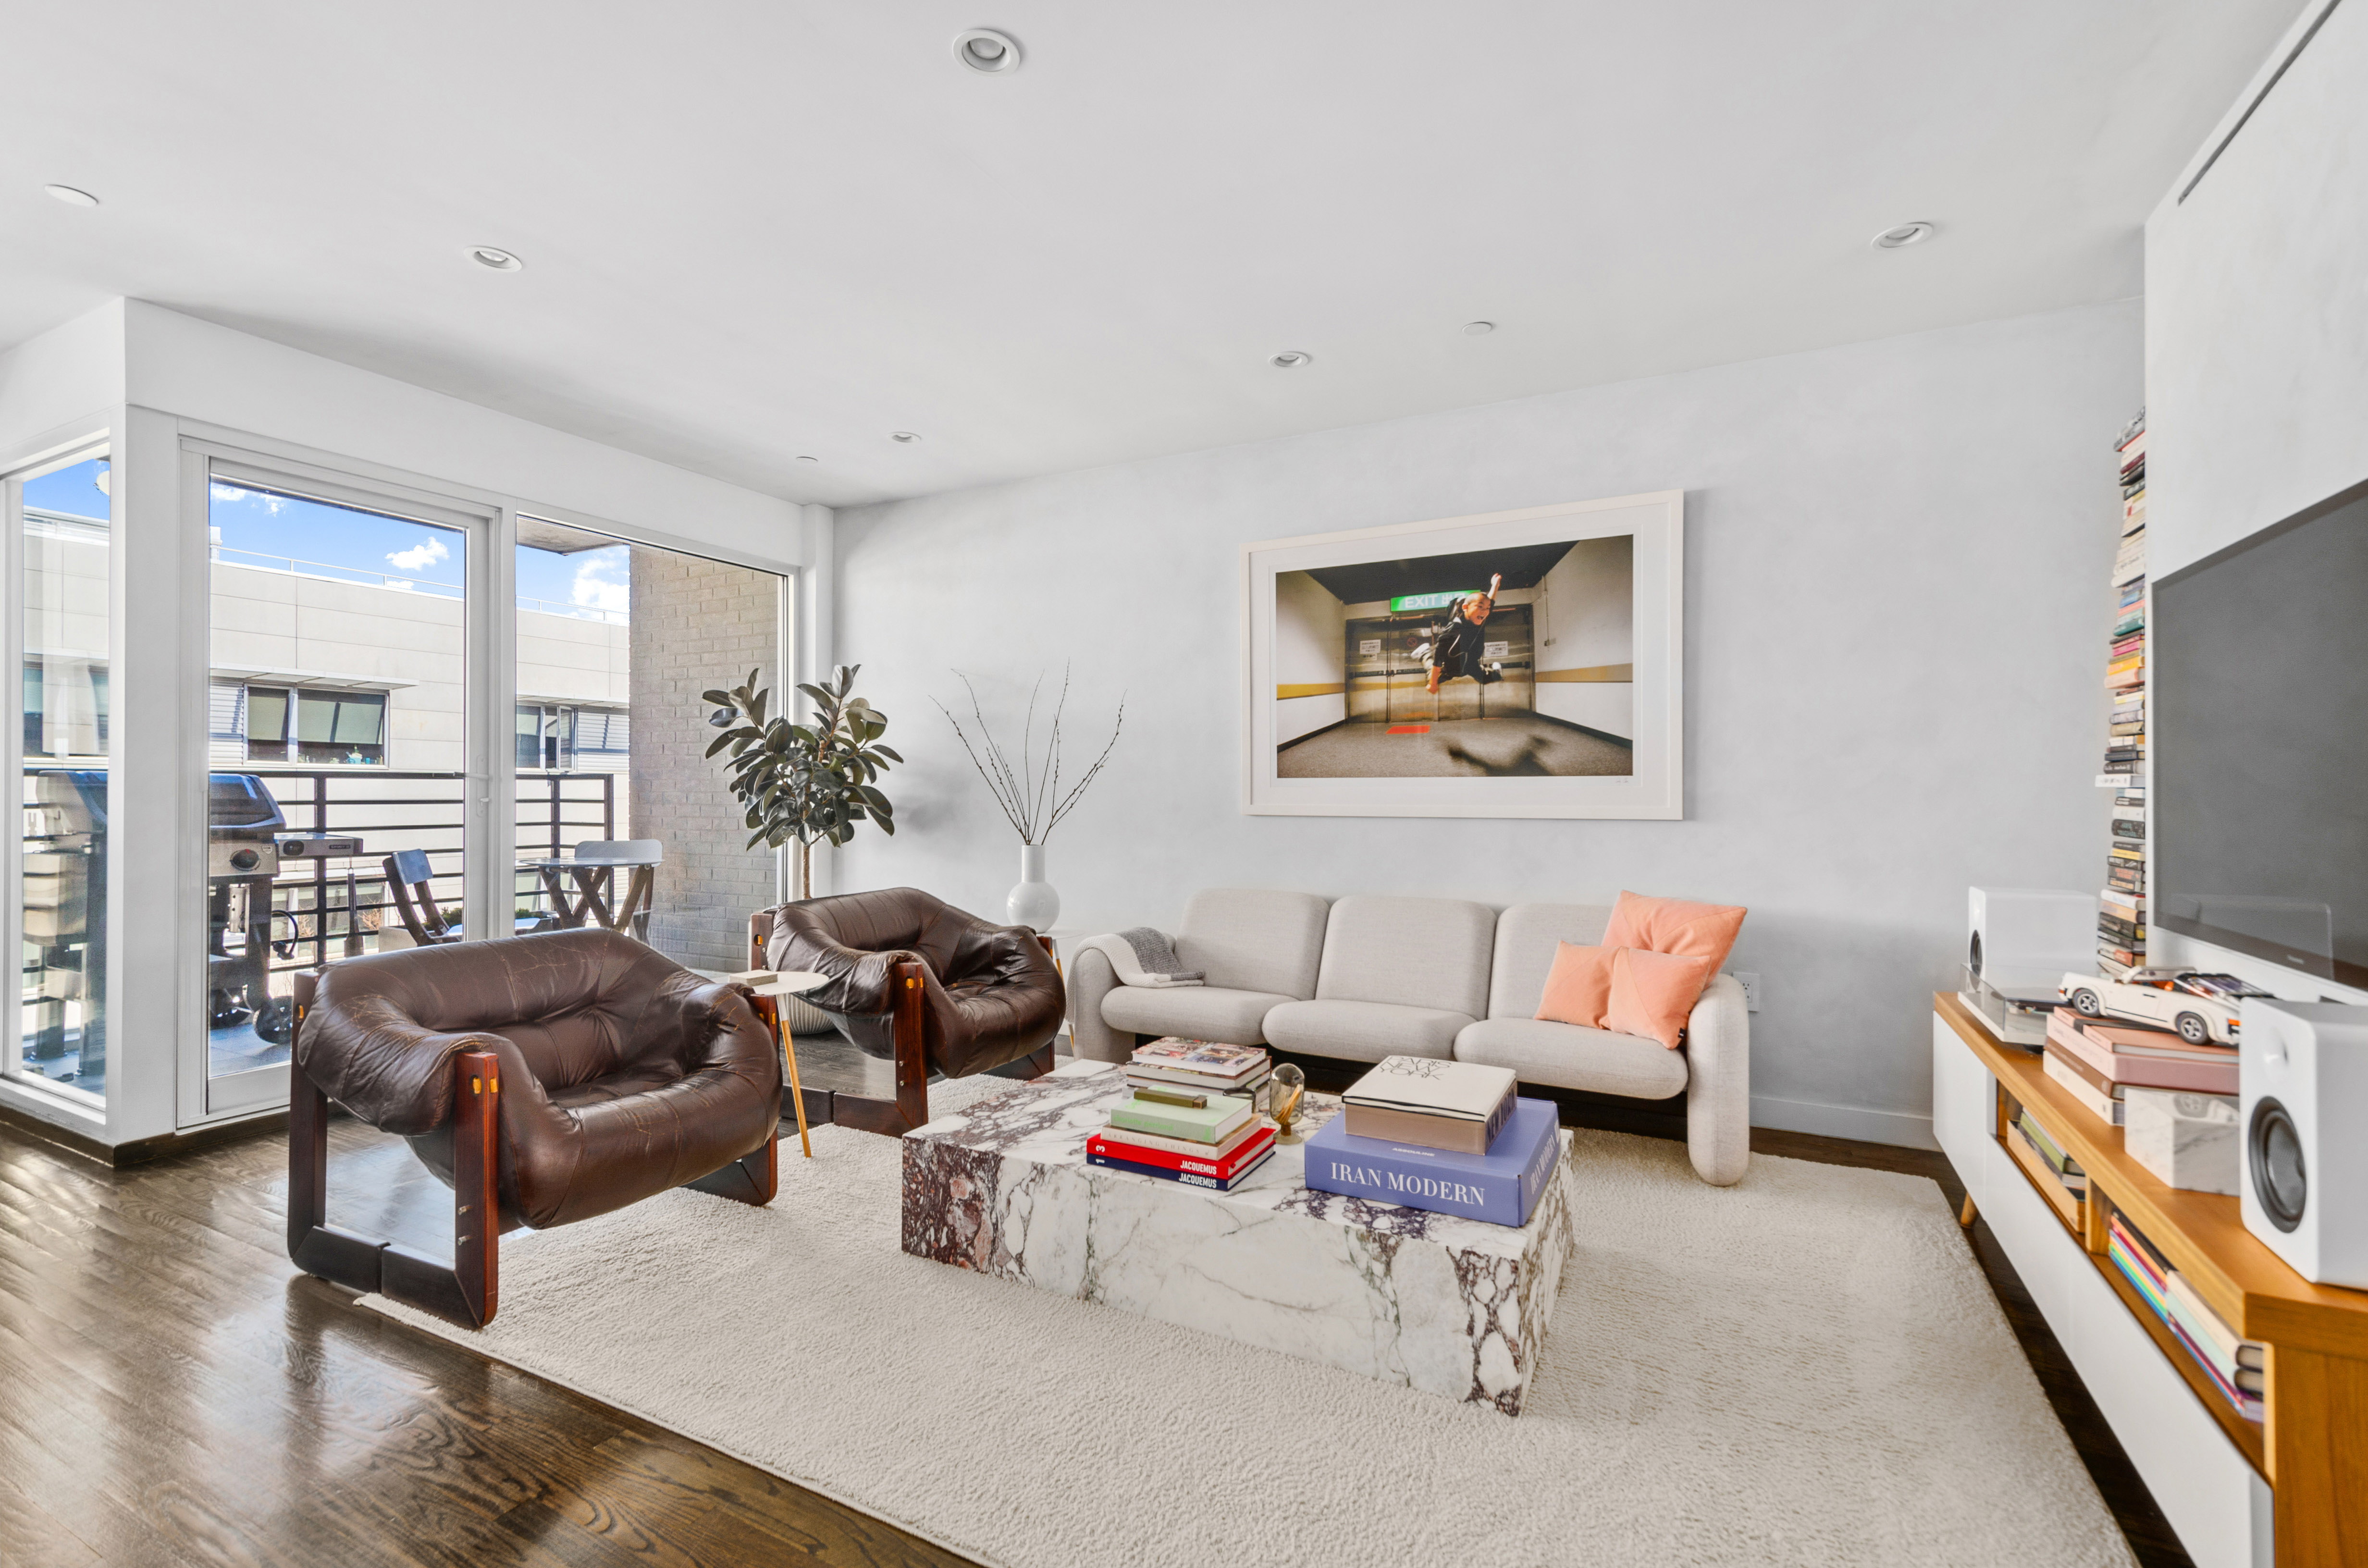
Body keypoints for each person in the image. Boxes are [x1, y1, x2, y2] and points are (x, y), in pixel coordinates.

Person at [1425, 573, 1503, 696]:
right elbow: (1439, 658)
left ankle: (1496, 673)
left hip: (1470, 664)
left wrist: (1495, 585)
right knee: (1433, 678)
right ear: (1466, 607)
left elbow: (1490, 601)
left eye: (1487, 609)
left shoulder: (1481, 618)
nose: (1485, 612)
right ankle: (1424, 653)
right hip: (1451, 666)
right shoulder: (1454, 629)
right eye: (1480, 607)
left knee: (1486, 678)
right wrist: (1433, 683)